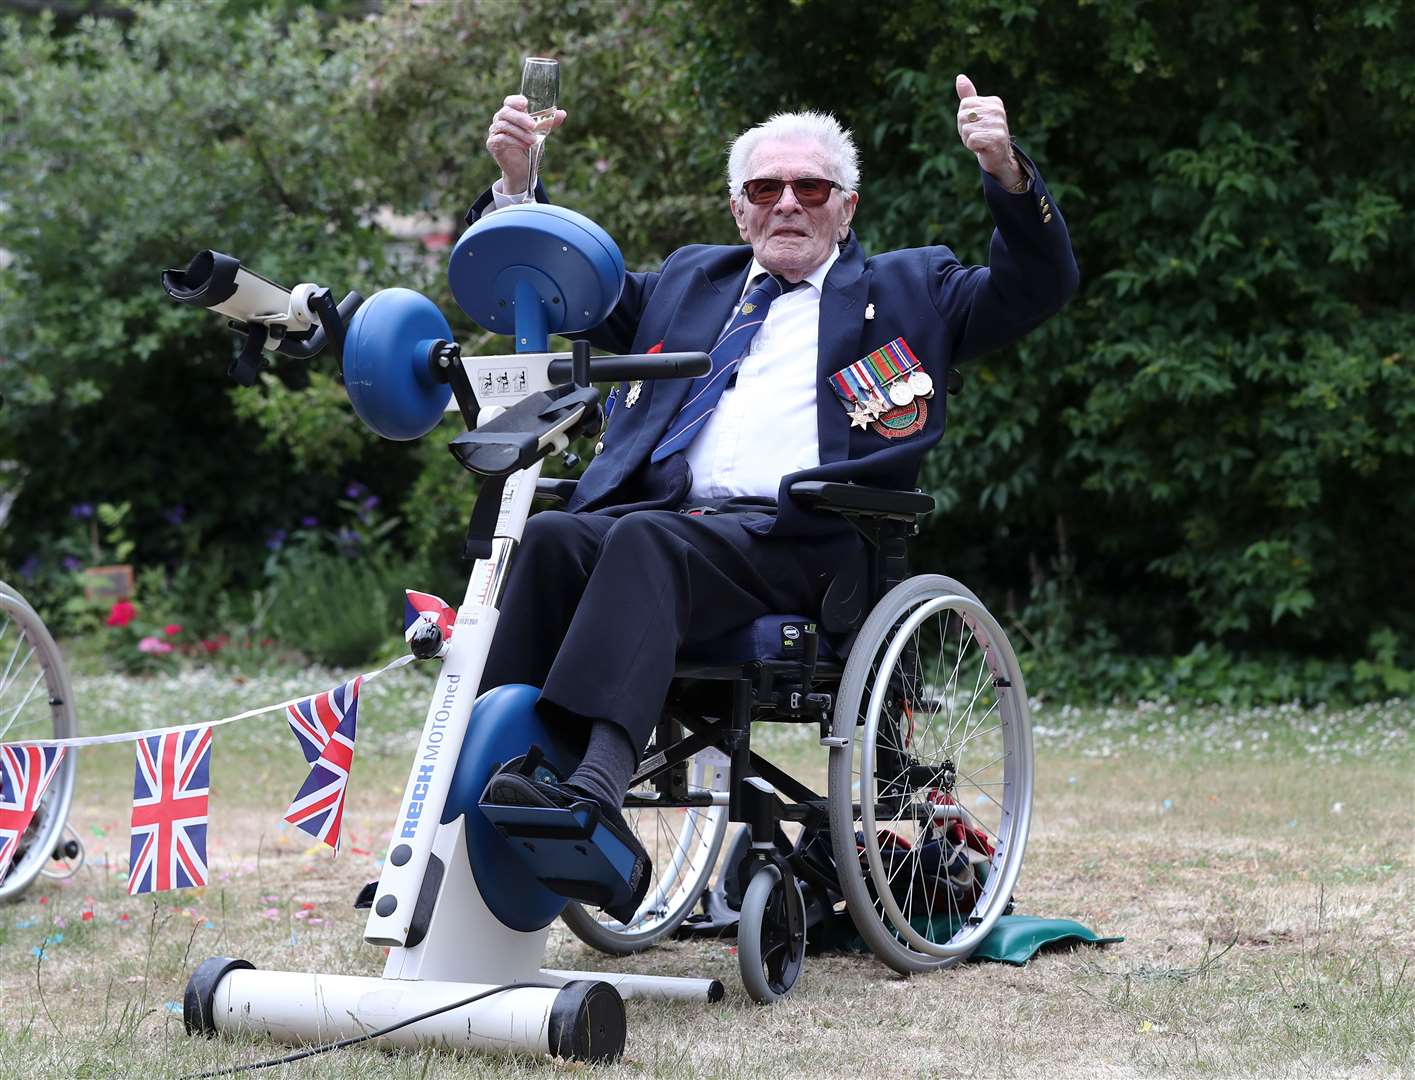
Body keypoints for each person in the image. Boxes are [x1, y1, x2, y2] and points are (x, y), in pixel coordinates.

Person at [473, 75, 1078, 921]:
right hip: (667, 532)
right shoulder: (687, 281)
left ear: (846, 205)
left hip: (802, 546)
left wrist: (1005, 171)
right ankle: (483, 803)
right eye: (765, 189)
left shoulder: (913, 288)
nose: (786, 204)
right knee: (552, 538)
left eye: (809, 189)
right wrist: (517, 187)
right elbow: (556, 286)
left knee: (644, 539)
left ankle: (595, 793)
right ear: (738, 209)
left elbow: (1035, 289)